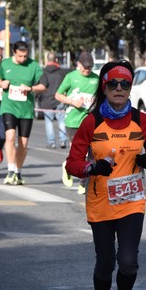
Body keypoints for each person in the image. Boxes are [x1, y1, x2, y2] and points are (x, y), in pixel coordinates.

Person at [65, 60, 146, 290]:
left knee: (129, 261)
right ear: (104, 88)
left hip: (132, 202)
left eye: (124, 84)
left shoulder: (141, 120)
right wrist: (90, 168)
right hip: (100, 203)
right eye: (113, 84)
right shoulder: (91, 122)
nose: (119, 89)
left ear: (130, 87)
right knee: (105, 263)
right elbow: (72, 162)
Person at [0, 41, 45, 185]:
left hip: (26, 110)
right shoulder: (6, 64)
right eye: (20, 56)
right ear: (14, 53)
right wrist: (1, 83)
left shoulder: (33, 65)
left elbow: (43, 85)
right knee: (10, 137)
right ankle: (10, 171)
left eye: (25, 56)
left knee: (23, 143)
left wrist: (31, 88)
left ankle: (18, 172)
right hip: (9, 107)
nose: (23, 59)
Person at [55, 51, 99, 195]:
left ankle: (83, 182)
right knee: (80, 153)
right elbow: (58, 95)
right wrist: (72, 101)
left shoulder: (96, 79)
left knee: (91, 152)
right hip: (73, 120)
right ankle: (67, 166)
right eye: (85, 67)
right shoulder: (71, 77)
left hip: (90, 121)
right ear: (78, 64)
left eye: (90, 67)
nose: (87, 70)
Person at [39, 52, 68, 149]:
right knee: (61, 120)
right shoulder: (62, 72)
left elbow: (42, 85)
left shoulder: (44, 72)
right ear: (56, 60)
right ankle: (63, 140)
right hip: (59, 99)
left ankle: (51, 142)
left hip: (47, 100)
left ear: (48, 60)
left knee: (49, 122)